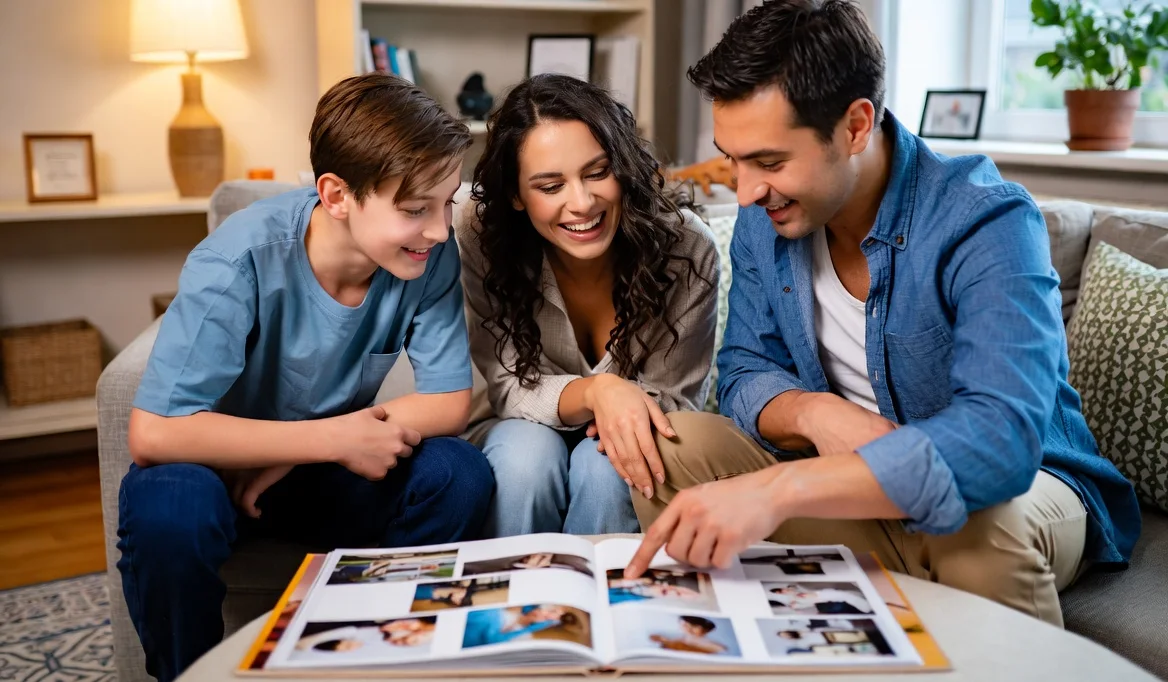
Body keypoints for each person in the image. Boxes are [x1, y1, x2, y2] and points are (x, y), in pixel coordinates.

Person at [626, 0, 1141, 628]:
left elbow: (999, 444)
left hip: (1023, 490)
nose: (745, 192)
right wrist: (819, 413)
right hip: (846, 492)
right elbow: (742, 373)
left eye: (768, 161)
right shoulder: (765, 223)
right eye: (732, 159)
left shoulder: (986, 220)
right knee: (673, 450)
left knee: (981, 522)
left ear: (855, 126)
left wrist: (780, 489)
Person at [116, 73, 495, 681]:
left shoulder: (428, 257)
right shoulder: (238, 258)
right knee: (170, 506)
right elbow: (156, 433)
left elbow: (450, 401)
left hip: (317, 478)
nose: (440, 230)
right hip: (212, 472)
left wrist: (309, 450)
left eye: (446, 203)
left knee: (458, 473)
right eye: (415, 209)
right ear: (337, 194)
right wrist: (331, 439)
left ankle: (375, 658)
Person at [457, 73, 720, 536]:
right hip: (518, 424)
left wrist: (616, 406)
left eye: (598, 173)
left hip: (638, 430)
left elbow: (674, 398)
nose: (581, 203)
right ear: (516, 195)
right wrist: (598, 392)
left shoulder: (686, 248)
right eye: (550, 186)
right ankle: (519, 603)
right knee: (525, 460)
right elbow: (508, 386)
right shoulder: (481, 237)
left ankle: (611, 602)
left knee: (605, 472)